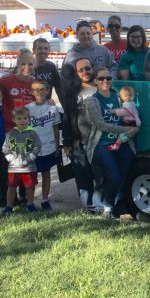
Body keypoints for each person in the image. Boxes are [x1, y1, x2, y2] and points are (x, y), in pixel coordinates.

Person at [83, 67, 138, 218]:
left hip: (123, 142)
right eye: (101, 78)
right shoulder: (92, 101)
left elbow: (130, 116)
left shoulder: (118, 98)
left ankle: (118, 207)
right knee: (113, 176)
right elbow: (101, 125)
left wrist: (134, 128)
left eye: (108, 78)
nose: (105, 81)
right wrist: (125, 130)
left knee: (124, 175)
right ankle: (107, 206)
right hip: (102, 143)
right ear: (95, 81)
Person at [61, 57, 101, 212]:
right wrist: (66, 142)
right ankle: (86, 207)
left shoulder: (101, 88)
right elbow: (67, 117)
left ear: (92, 68)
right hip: (79, 142)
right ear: (76, 73)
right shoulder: (72, 92)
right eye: (81, 70)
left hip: (99, 141)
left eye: (88, 68)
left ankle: (99, 206)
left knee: (100, 176)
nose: (85, 72)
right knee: (82, 177)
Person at [25, 79, 62, 211]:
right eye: (35, 89)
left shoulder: (52, 108)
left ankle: (45, 200)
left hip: (48, 146)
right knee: (31, 175)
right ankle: (30, 202)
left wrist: (57, 145)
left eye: (42, 89)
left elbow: (56, 128)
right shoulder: (28, 108)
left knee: (46, 173)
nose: (39, 92)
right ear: (32, 92)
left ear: (47, 91)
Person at [2, 106, 42, 215]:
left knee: (30, 186)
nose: (22, 121)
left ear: (28, 119)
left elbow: (37, 146)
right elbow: (5, 148)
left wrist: (29, 159)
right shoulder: (10, 133)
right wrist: (11, 159)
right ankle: (9, 206)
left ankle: (30, 204)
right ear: (14, 120)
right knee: (11, 187)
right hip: (14, 168)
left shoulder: (32, 133)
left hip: (29, 167)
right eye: (19, 118)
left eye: (25, 118)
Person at [61, 20, 117, 93]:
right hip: (80, 94)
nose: (86, 36)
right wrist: (81, 85)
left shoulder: (103, 51)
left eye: (88, 33)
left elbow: (114, 67)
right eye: (82, 34)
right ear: (77, 35)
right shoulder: (70, 55)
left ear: (92, 34)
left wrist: (109, 80)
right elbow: (66, 78)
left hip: (103, 94)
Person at [0, 49, 36, 131]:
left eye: (30, 64)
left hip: (29, 128)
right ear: (18, 65)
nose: (27, 67)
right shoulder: (5, 81)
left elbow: (40, 102)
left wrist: (49, 101)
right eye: (23, 64)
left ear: (34, 65)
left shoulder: (35, 83)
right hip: (10, 128)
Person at [108, 85, 141, 150]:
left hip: (131, 123)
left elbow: (124, 112)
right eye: (126, 96)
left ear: (133, 96)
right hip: (131, 123)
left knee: (122, 135)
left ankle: (116, 145)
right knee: (124, 134)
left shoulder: (129, 104)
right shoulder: (129, 104)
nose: (128, 97)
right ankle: (119, 143)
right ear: (121, 97)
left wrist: (114, 111)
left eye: (130, 95)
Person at [32, 37, 63, 102]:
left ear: (49, 51)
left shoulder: (51, 66)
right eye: (40, 48)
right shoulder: (26, 66)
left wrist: (66, 109)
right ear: (34, 50)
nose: (43, 51)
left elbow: (59, 90)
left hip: (45, 107)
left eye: (46, 48)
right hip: (28, 108)